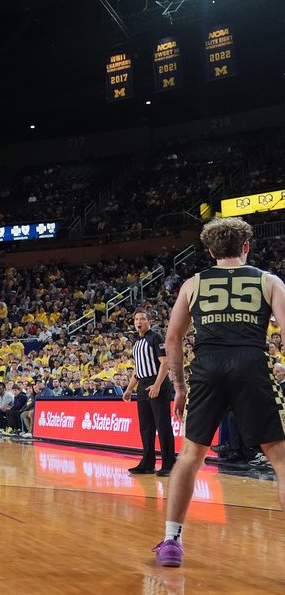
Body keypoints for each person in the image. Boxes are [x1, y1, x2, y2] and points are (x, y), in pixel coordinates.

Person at [152, 217, 285, 567]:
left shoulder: (193, 283)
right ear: (246, 247)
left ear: (210, 252)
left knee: (190, 458)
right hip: (251, 362)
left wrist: (180, 387)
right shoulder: (268, 281)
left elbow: (171, 339)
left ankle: (171, 541)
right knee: (282, 460)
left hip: (207, 366)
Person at [122, 310, 175, 477]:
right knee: (146, 427)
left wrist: (157, 385)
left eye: (143, 319)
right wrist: (130, 389)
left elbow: (165, 363)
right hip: (143, 386)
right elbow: (138, 370)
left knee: (163, 425)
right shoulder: (137, 342)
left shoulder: (156, 338)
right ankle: (147, 463)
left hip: (157, 384)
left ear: (149, 322)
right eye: (136, 319)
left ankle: (169, 464)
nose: (139, 321)